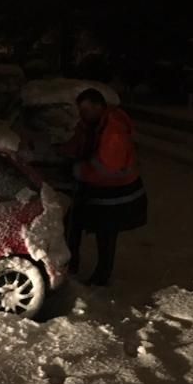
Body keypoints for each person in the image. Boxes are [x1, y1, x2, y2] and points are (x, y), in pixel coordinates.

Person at [61, 88, 148, 286]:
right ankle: (71, 265)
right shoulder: (90, 124)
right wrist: (62, 153)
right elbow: (77, 145)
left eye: (87, 110)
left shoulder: (114, 132)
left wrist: (79, 170)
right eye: (81, 110)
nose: (83, 114)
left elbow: (107, 168)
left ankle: (101, 277)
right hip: (97, 189)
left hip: (117, 193)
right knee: (73, 222)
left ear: (99, 107)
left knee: (105, 234)